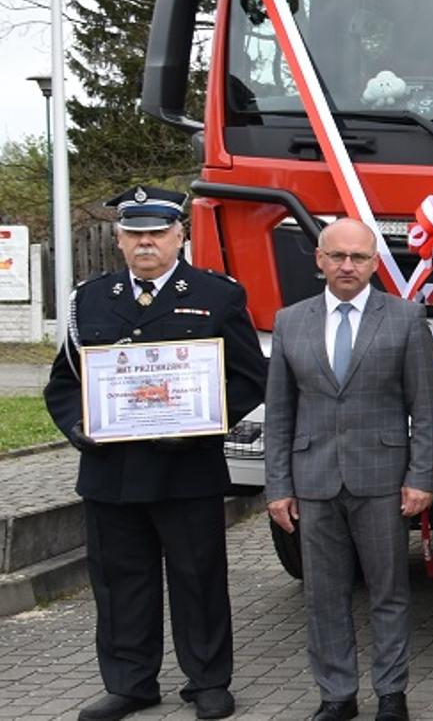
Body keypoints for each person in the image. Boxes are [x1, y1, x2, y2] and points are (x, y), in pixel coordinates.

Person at [44, 186, 268, 721]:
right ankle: (130, 683)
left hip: (187, 470)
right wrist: (78, 426)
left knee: (199, 579)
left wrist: (201, 424)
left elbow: (250, 379)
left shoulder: (218, 296)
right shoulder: (88, 299)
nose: (146, 242)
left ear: (179, 236)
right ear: (119, 241)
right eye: (134, 233)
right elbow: (63, 382)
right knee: (121, 583)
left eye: (157, 232)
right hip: (111, 473)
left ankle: (209, 681)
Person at [262, 219, 433, 721]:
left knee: (388, 591)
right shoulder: (290, 320)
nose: (347, 266)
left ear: (374, 262)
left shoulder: (405, 319)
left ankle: (391, 693)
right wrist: (278, 486)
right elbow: (279, 412)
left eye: (359, 258)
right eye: (337, 256)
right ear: (319, 259)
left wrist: (422, 477)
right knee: (324, 596)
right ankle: (336, 695)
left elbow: (425, 409)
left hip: (383, 479)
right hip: (313, 480)